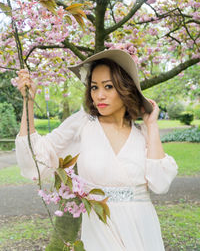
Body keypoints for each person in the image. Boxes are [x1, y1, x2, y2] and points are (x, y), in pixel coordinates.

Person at [15, 49, 178, 251]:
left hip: (142, 231)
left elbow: (160, 183)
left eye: (108, 86)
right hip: (100, 230)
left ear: (125, 88)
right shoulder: (84, 124)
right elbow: (36, 158)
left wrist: (152, 125)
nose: (99, 95)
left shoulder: (143, 134)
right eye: (94, 87)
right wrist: (28, 102)